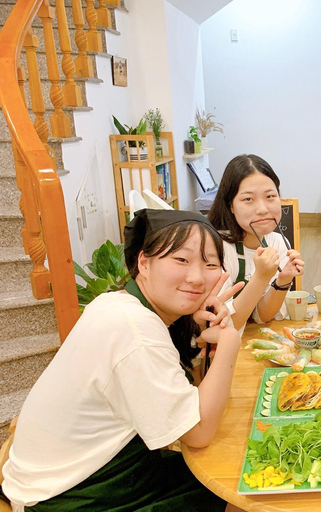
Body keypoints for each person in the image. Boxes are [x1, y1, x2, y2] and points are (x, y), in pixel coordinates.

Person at [1, 209, 245, 511]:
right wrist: (230, 341)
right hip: (69, 494)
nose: (196, 277)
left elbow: (186, 393)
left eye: (210, 264)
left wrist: (198, 326)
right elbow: (198, 433)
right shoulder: (134, 329)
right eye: (181, 260)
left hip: (75, 471)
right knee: (239, 487)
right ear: (144, 262)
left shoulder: (117, 303)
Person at [208, 154, 304, 332]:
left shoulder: (278, 241)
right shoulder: (214, 247)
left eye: (270, 196)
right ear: (230, 205)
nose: (262, 209)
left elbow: (263, 316)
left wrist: (283, 280)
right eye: (248, 199)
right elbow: (225, 326)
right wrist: (261, 277)